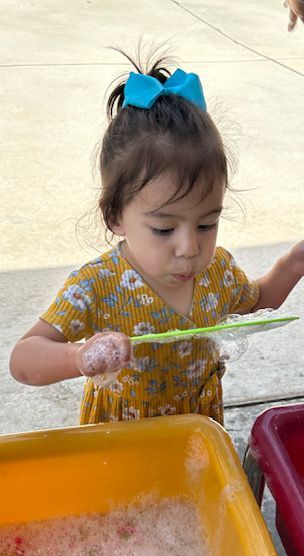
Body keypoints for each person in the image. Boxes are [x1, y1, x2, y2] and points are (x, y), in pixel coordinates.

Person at [9, 53, 304, 426]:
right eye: (164, 229)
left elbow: (257, 301)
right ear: (115, 216)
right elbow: (24, 359)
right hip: (122, 444)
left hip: (195, 434)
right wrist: (80, 356)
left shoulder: (217, 271)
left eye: (206, 224)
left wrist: (295, 262)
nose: (189, 248)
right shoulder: (99, 285)